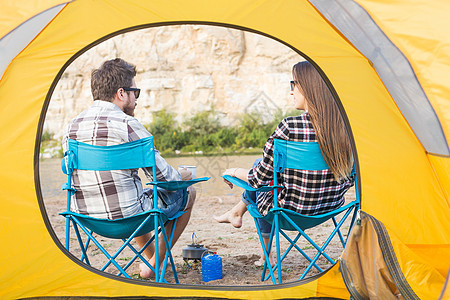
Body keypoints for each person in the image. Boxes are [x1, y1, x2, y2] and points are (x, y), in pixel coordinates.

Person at [62, 58, 195, 279]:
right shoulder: (127, 125)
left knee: (132, 193)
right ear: (121, 93)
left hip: (85, 218)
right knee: (188, 191)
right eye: (136, 92)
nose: (136, 100)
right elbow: (166, 180)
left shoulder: (71, 128)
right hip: (130, 218)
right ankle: (155, 264)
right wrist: (184, 175)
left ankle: (150, 260)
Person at [214, 61, 354, 266]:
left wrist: (232, 170)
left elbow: (257, 179)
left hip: (288, 211)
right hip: (330, 208)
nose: (291, 91)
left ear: (308, 87)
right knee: (266, 172)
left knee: (261, 178)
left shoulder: (289, 127)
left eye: (294, 84)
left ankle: (264, 252)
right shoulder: (346, 126)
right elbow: (353, 177)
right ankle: (237, 213)